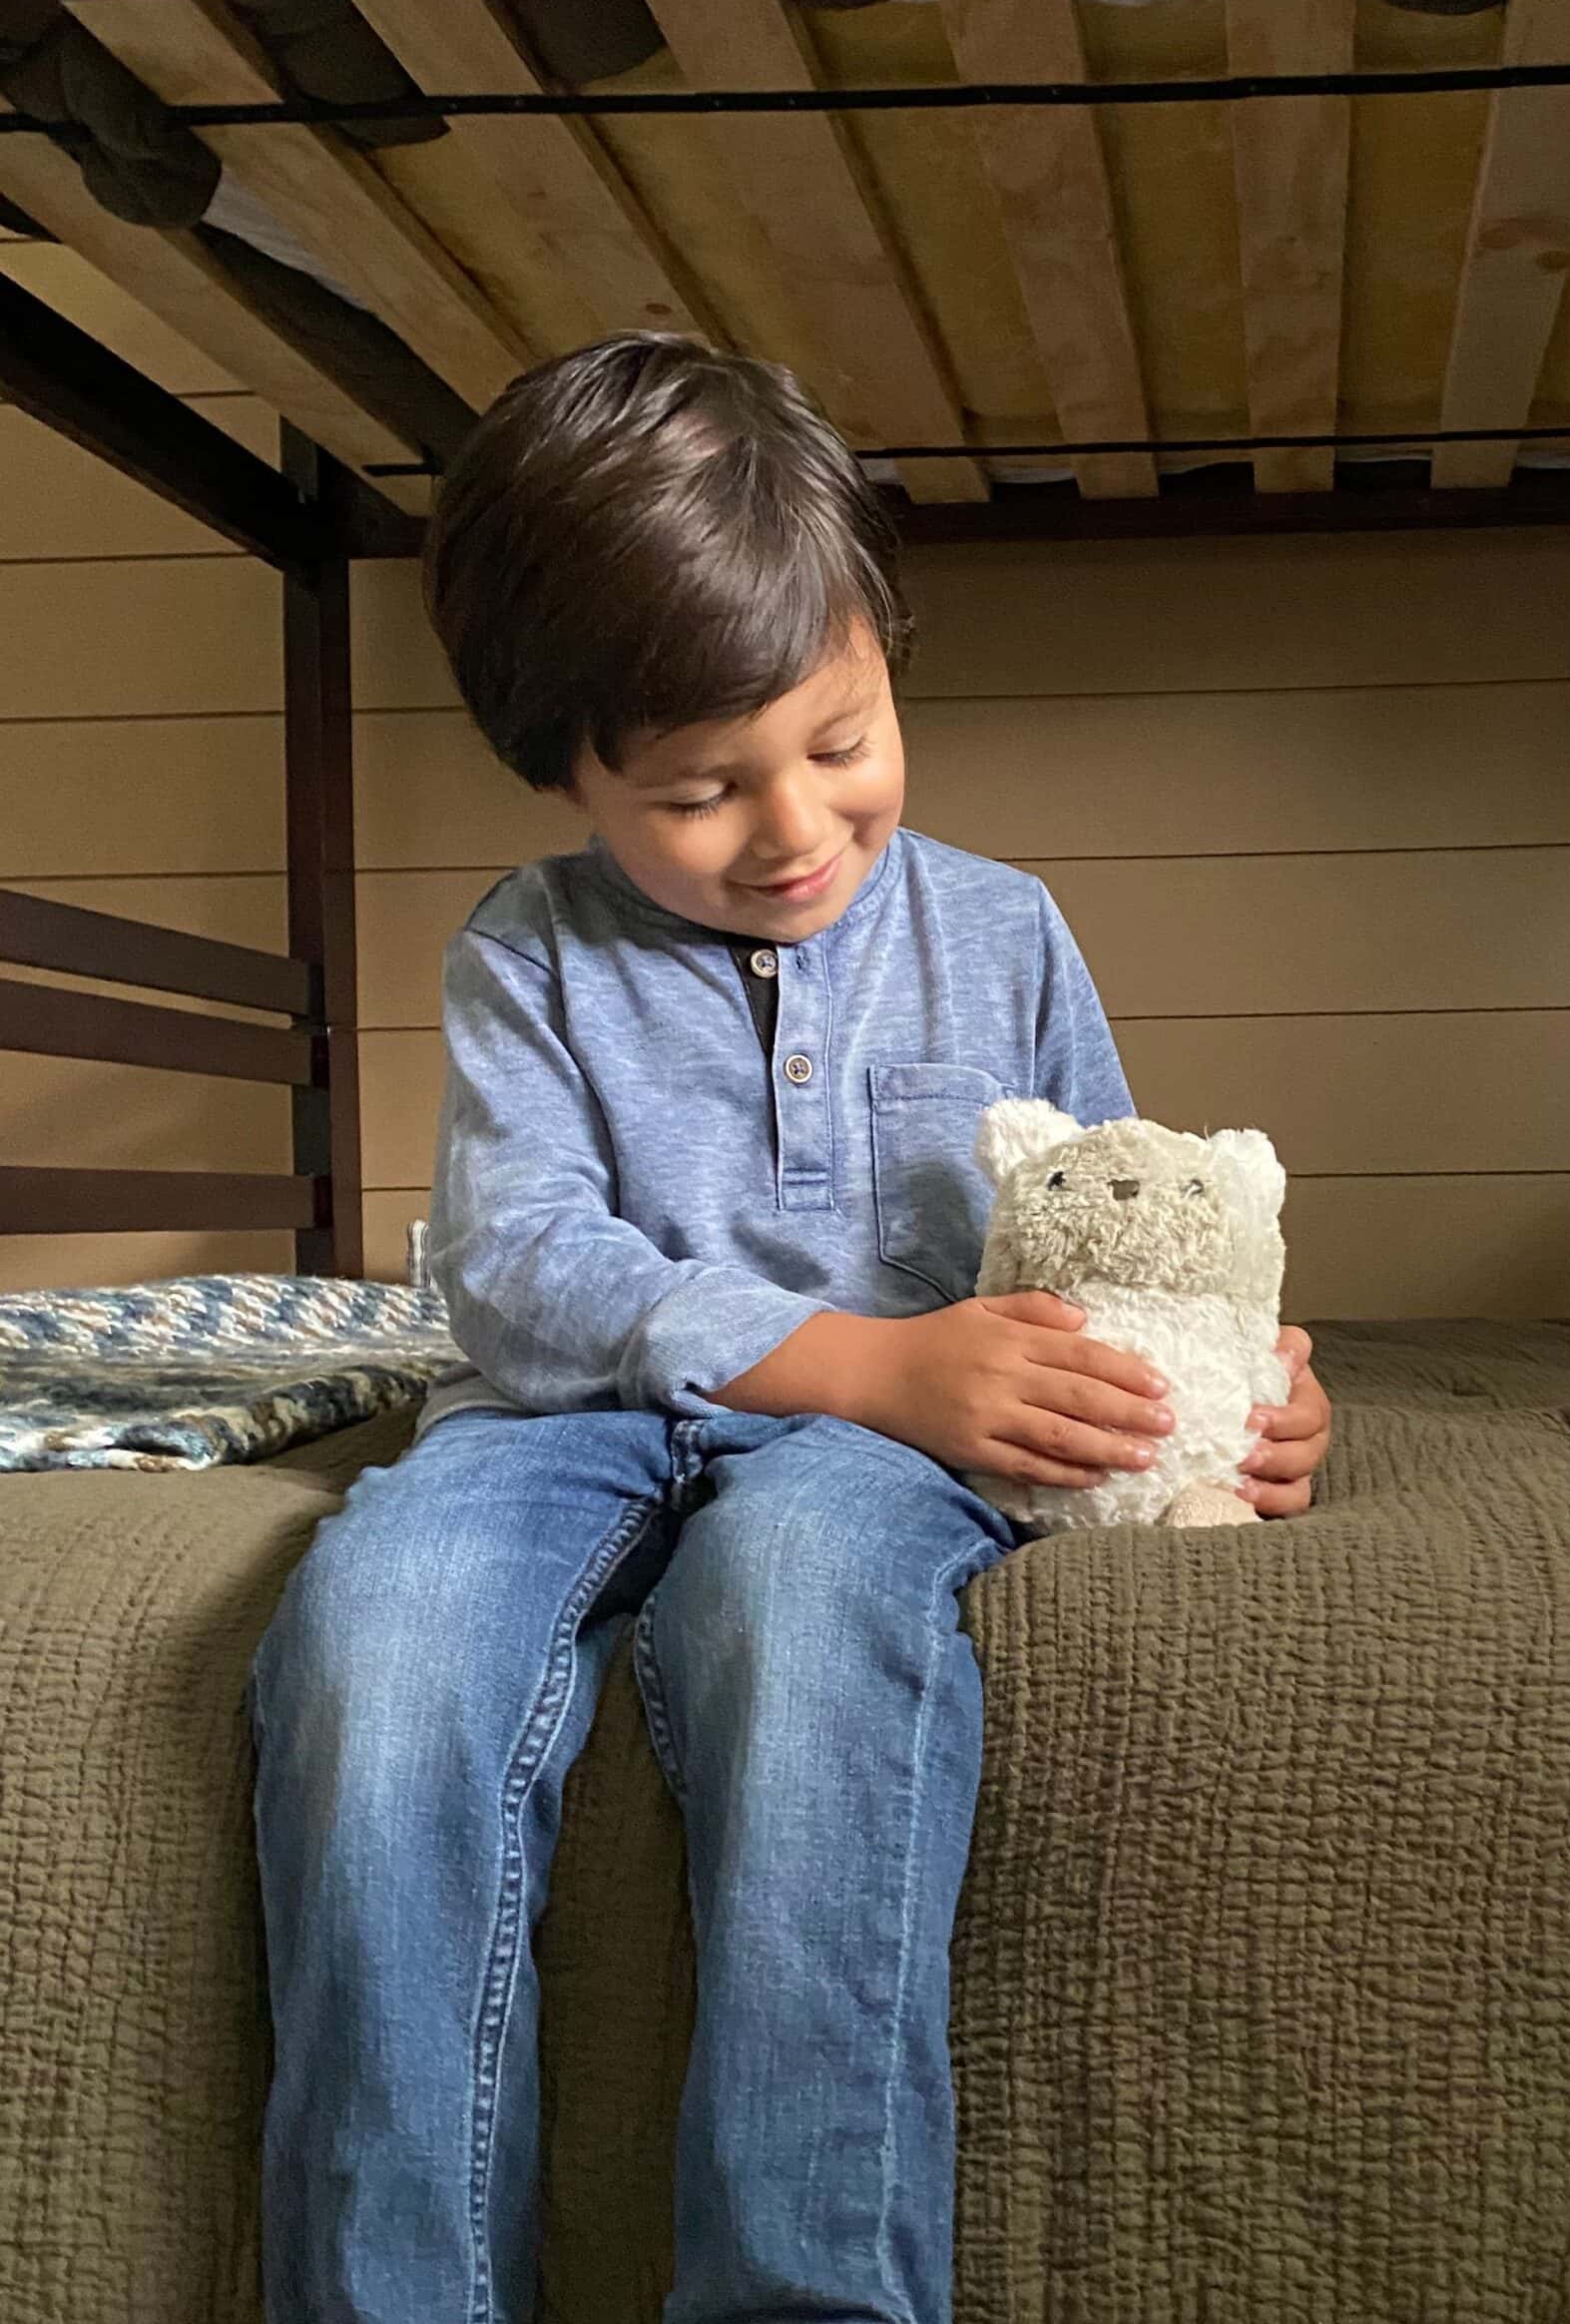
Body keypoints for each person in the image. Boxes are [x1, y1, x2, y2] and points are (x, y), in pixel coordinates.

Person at [246, 333, 1333, 2324]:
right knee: (375, 1639)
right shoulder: (529, 952)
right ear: (567, 766)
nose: (792, 825)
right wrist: (851, 1351)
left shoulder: (1006, 932)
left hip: (875, 1464)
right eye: (693, 788)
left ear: (882, 649)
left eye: (841, 736)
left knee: (800, 1601)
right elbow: (519, 1268)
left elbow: (1132, 1223)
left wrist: (1244, 1386)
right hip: (559, 1422)